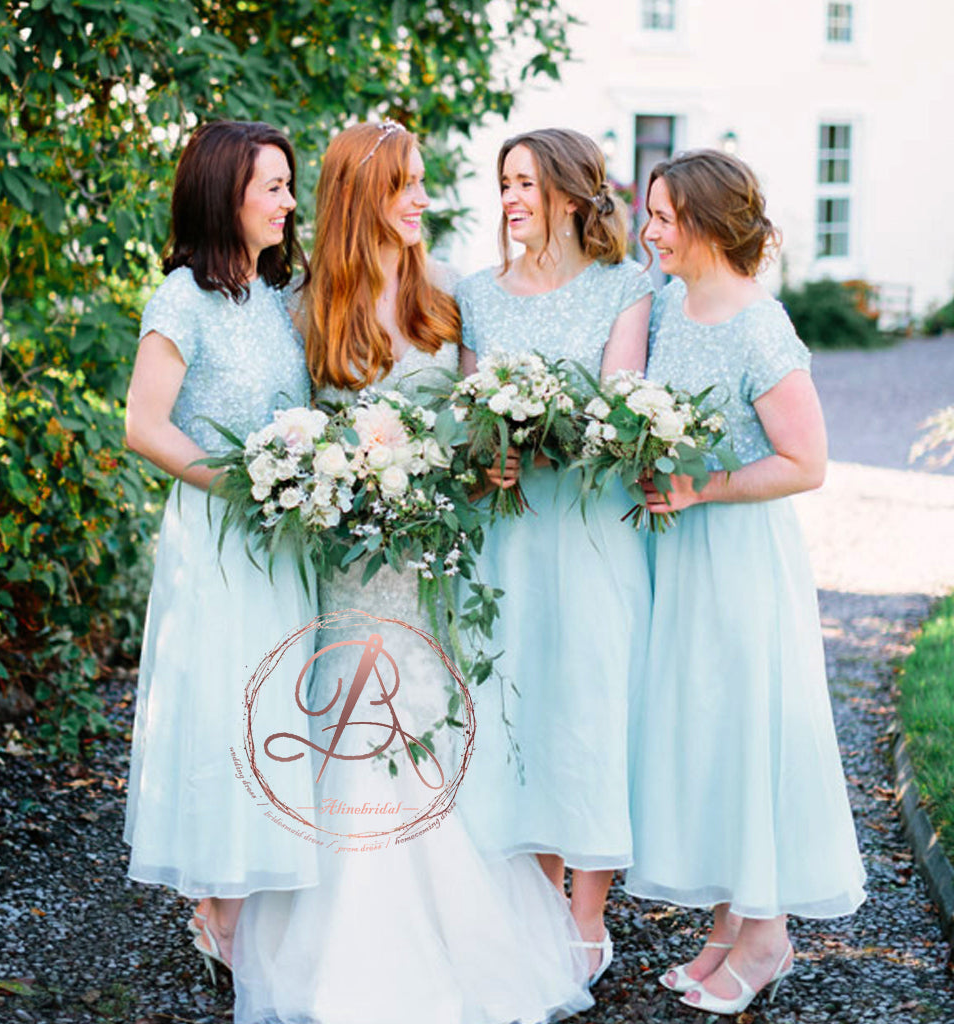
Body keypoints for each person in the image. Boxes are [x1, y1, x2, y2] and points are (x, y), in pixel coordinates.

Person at [231, 120, 593, 1024]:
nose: (422, 199)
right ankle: (346, 954)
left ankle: (470, 951)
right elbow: (283, 439)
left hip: (432, 565)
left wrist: (490, 461)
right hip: (349, 571)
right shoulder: (303, 310)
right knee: (353, 728)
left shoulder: (447, 300)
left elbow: (474, 431)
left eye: (423, 180)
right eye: (404, 185)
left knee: (431, 724)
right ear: (361, 199)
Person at [625, 149, 866, 1014]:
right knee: (708, 731)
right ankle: (728, 925)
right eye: (647, 213)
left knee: (747, 729)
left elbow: (808, 461)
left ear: (704, 223)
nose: (647, 230)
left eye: (660, 216)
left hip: (738, 560)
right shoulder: (668, 306)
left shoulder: (760, 325)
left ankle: (767, 934)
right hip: (681, 558)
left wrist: (703, 487)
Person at [454, 127, 653, 987]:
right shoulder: (475, 293)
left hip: (588, 528)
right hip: (506, 537)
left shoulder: (627, 287)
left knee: (589, 702)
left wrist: (546, 429)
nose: (511, 199)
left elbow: (618, 405)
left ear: (572, 195)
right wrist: (484, 452)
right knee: (518, 705)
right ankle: (535, 901)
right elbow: (467, 412)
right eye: (504, 182)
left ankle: (585, 914)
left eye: (527, 183)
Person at [122, 121, 319, 976]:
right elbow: (143, 427)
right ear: (223, 194)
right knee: (225, 706)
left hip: (286, 541)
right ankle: (217, 909)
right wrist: (243, 484)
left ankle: (249, 897)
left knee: (277, 706)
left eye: (287, 185)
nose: (286, 203)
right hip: (220, 531)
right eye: (271, 187)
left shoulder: (276, 299)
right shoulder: (181, 299)